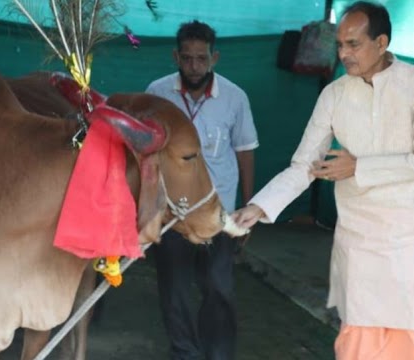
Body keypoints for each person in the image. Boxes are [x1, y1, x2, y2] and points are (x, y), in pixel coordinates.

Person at [232, 2, 414, 359]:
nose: (343, 53)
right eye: (340, 44)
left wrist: (359, 167)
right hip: (362, 241)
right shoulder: (335, 94)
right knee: (359, 344)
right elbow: (304, 165)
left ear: (382, 42)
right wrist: (258, 206)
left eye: (353, 44)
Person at [145, 20, 259, 360]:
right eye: (187, 58)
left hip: (218, 212)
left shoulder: (235, 98)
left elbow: (245, 151)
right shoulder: (157, 93)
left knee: (218, 288)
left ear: (215, 58)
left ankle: (218, 355)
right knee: (175, 290)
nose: (194, 66)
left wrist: (248, 207)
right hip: (172, 214)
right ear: (175, 56)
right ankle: (185, 354)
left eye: (201, 58)